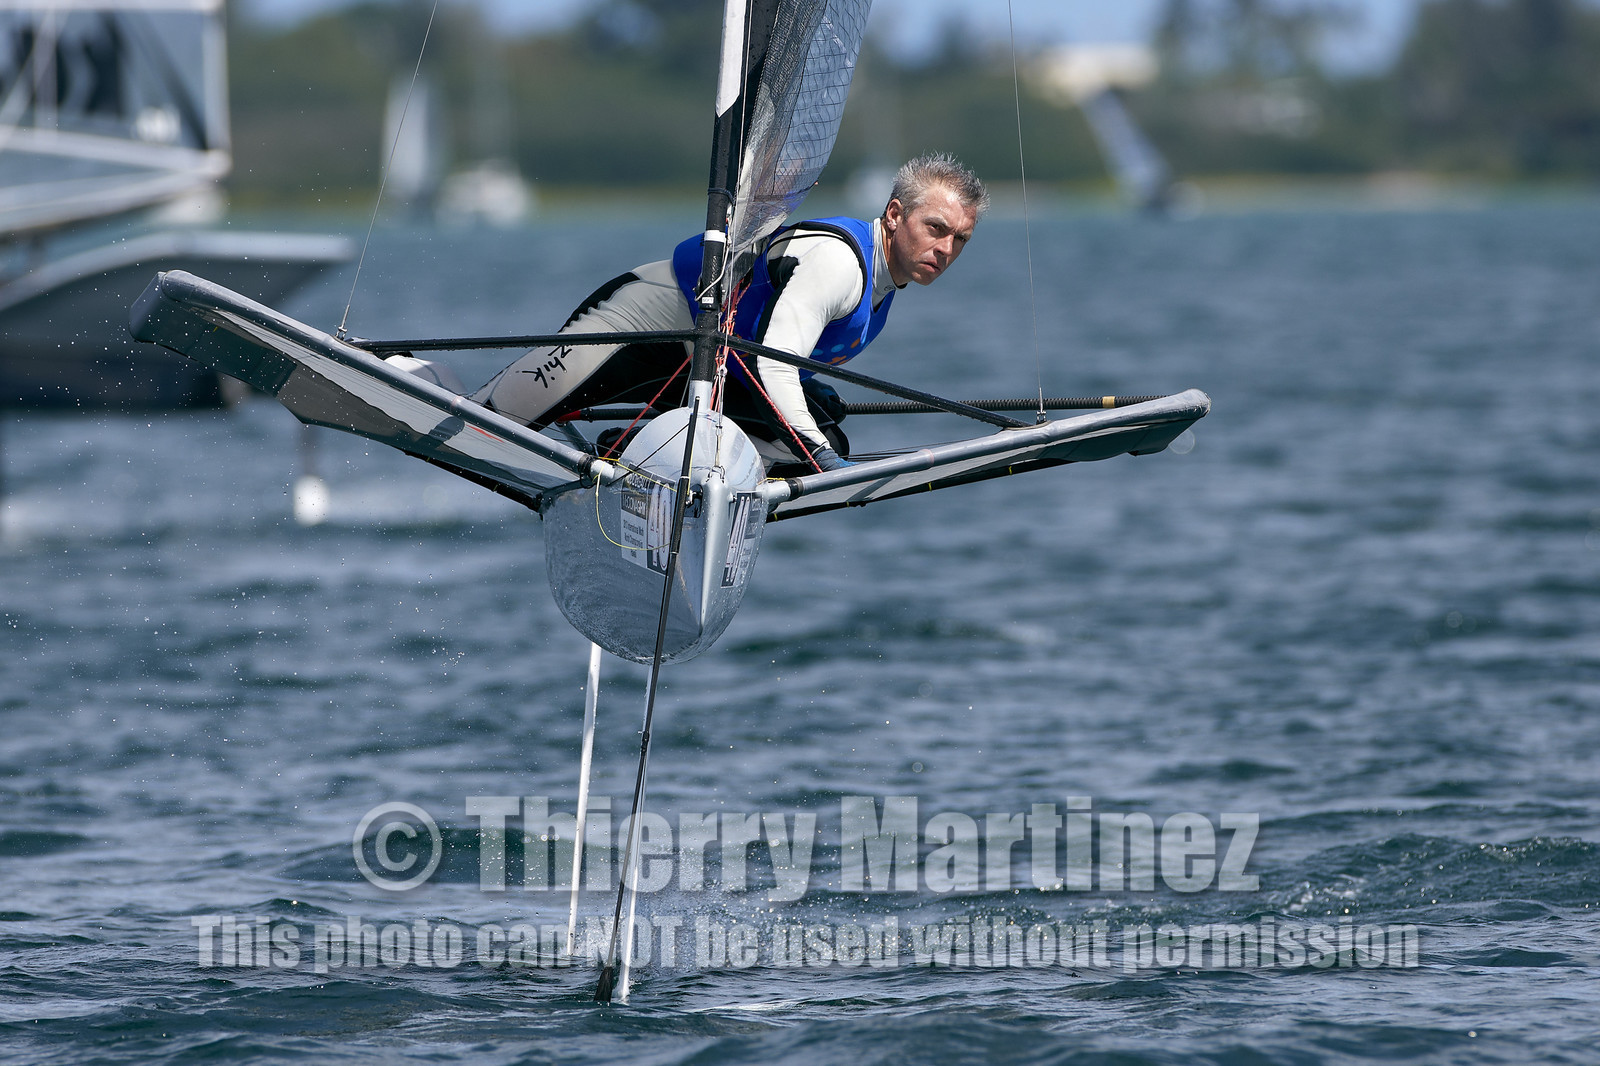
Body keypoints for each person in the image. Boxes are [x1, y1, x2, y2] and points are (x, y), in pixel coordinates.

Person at [469, 152, 988, 472]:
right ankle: (415, 383)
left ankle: (633, 458)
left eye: (960, 239)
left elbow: (764, 369)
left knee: (823, 424)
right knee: (490, 423)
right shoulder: (840, 263)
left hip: (705, 369)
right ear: (895, 215)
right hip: (642, 328)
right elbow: (774, 365)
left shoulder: (883, 285)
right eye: (936, 228)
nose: (945, 249)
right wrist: (821, 459)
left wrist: (816, 444)